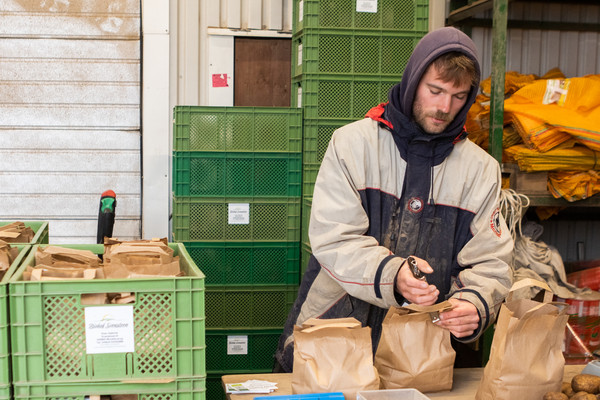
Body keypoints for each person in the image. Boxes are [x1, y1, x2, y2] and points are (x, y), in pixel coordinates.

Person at [274, 26, 514, 372]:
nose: (445, 107)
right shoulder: (352, 145)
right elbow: (333, 239)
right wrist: (392, 274)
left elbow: (491, 262)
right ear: (414, 79)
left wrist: (474, 305)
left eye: (459, 96)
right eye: (435, 90)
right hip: (334, 334)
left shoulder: (481, 170)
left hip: (423, 353)